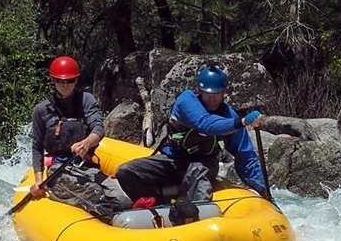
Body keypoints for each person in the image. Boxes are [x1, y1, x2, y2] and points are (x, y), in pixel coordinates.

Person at [116, 64, 267, 207]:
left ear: (223, 93)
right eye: (208, 94)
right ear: (199, 91)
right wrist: (241, 122)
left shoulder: (228, 115)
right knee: (126, 172)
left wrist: (262, 188)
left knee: (197, 171)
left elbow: (245, 156)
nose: (212, 98)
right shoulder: (186, 101)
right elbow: (206, 124)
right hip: (172, 160)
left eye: (217, 94)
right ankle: (156, 203)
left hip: (203, 164)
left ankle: (196, 216)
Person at [28, 56, 128, 212]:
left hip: (86, 166)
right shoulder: (41, 110)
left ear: (76, 80)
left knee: (122, 199)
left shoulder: (86, 100)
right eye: (60, 81)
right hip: (57, 169)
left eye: (70, 81)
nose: (65, 85)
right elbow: (37, 147)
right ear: (53, 81)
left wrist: (87, 142)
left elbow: (98, 128)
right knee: (96, 195)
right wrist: (39, 182)